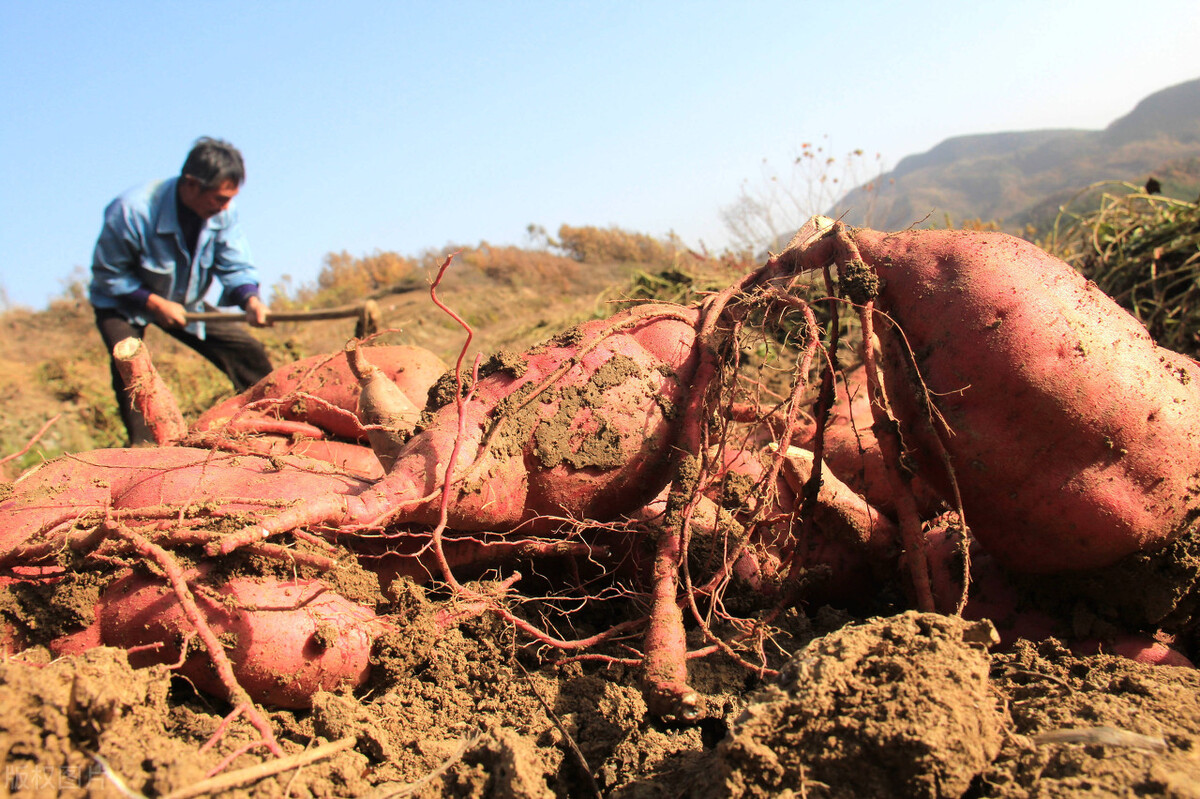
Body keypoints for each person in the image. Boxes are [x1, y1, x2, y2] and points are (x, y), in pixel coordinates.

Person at [90, 137, 274, 445]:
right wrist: (153, 303)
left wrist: (250, 298)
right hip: (123, 301)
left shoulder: (223, 212)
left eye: (230, 197)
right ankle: (144, 448)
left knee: (248, 352)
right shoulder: (131, 211)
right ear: (190, 184)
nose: (226, 206)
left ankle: (272, 418)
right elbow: (110, 275)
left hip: (182, 301)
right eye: (219, 198)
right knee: (133, 372)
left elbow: (234, 262)